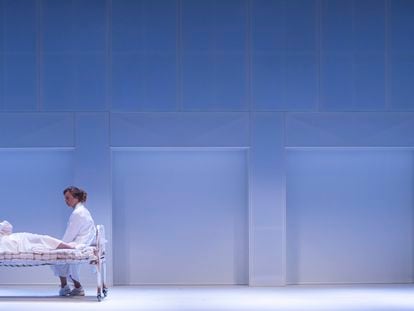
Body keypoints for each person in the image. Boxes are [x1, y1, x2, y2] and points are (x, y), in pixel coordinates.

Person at [52, 186, 96, 297]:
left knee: (55, 256)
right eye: (65, 198)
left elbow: (69, 234)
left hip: (79, 243)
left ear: (76, 198)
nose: (66, 201)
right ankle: (73, 287)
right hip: (81, 242)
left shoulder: (78, 213)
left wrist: (58, 245)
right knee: (60, 257)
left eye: (68, 198)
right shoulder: (82, 211)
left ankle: (66, 287)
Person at [0, 220, 74, 252]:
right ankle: (68, 246)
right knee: (40, 241)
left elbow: (8, 227)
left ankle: (68, 246)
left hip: (16, 238)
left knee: (40, 238)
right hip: (12, 243)